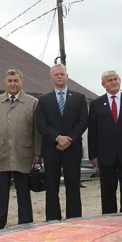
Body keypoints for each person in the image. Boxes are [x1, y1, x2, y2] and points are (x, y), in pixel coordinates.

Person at [0, 69, 41, 230]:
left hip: (23, 153)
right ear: (5, 83)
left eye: (16, 81)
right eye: (10, 81)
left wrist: (37, 153)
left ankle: (25, 224)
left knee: (23, 191)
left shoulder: (32, 102)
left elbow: (36, 130)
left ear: (21, 82)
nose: (13, 84)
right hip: (0, 153)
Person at [36, 64, 88, 220]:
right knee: (52, 187)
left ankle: (74, 218)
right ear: (51, 77)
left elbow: (83, 121)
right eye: (56, 74)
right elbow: (40, 123)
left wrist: (68, 139)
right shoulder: (44, 100)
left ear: (67, 76)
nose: (59, 76)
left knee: (73, 186)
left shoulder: (79, 98)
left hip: (72, 148)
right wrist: (57, 138)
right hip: (52, 149)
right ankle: (53, 219)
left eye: (62, 74)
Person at [88, 70, 122, 213]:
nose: (113, 82)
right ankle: (109, 218)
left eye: (115, 79)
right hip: (105, 156)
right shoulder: (96, 104)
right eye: (109, 80)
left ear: (119, 80)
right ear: (103, 84)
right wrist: (93, 155)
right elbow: (92, 131)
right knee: (107, 191)